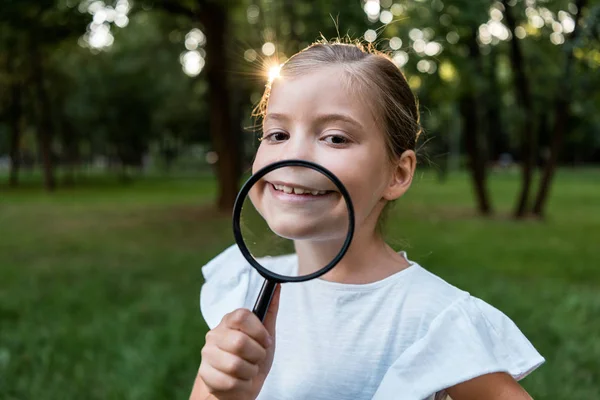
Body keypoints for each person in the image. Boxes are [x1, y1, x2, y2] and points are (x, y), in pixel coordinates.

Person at [190, 39, 544, 400]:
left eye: (335, 138)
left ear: (398, 174)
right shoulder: (242, 286)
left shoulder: (433, 319)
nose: (294, 155)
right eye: (277, 134)